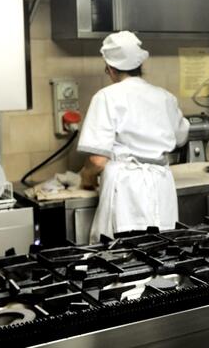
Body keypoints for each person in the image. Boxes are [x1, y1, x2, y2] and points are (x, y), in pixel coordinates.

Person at [78, 31, 190, 242]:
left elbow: (97, 160)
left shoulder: (106, 97)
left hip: (126, 189)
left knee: (123, 258)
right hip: (161, 186)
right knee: (161, 251)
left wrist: (86, 177)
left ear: (110, 69)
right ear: (139, 66)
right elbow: (181, 137)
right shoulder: (165, 97)